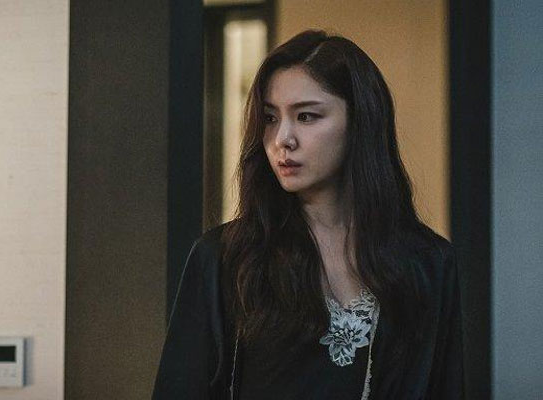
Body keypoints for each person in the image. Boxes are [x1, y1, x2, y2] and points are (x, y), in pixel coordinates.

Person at [152, 29, 464, 399]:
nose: (282, 139)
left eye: (306, 116)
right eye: (270, 118)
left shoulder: (428, 264)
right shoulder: (223, 258)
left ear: (360, 122)